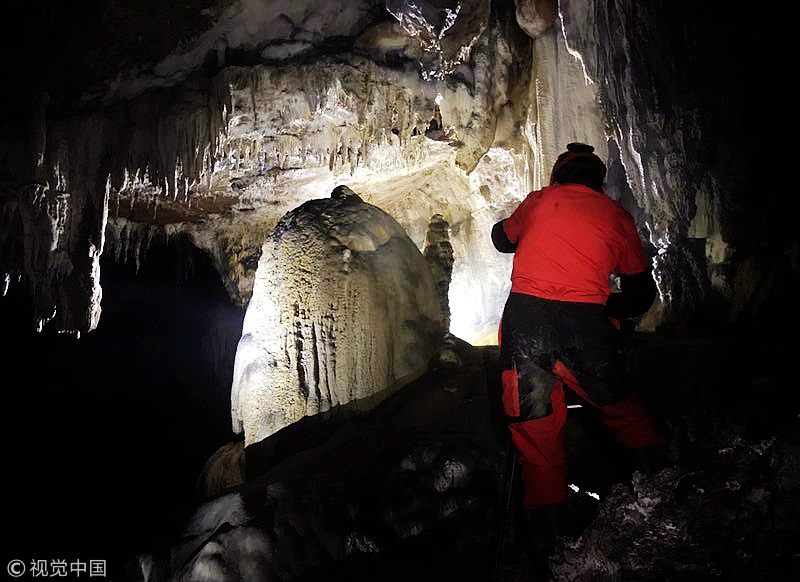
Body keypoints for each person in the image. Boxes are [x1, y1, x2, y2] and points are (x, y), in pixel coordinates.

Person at [492, 142, 666, 575]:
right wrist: (607, 309)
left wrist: (518, 227)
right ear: (597, 181)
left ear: (559, 177)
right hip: (586, 326)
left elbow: (501, 239)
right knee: (626, 413)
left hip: (527, 325)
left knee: (536, 435)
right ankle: (667, 498)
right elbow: (642, 293)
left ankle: (552, 553)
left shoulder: (539, 201)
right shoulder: (616, 216)